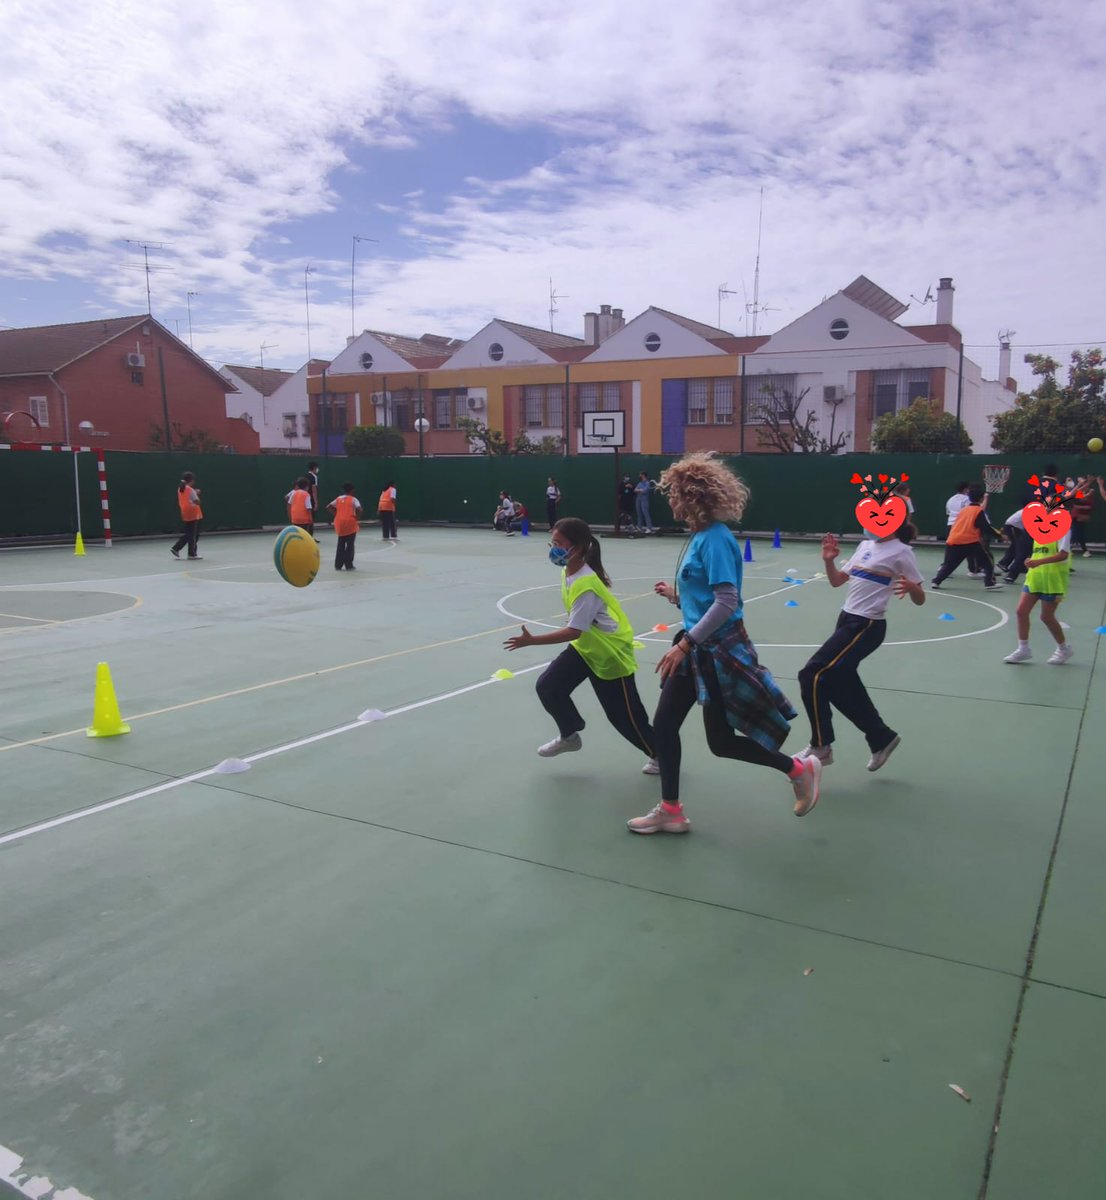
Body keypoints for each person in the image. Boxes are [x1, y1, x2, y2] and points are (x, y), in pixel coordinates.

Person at [627, 452, 818, 835]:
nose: (671, 501)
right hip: (698, 647)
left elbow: (727, 601)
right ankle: (672, 810)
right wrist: (676, 597)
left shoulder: (715, 539)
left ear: (693, 497)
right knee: (675, 729)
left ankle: (798, 769)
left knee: (715, 740)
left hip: (713, 651)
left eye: (675, 494)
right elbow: (706, 597)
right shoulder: (700, 537)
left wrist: (684, 645)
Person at [504, 517, 658, 775]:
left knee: (625, 719)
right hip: (585, 648)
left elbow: (574, 630)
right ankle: (570, 736)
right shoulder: (568, 572)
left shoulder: (586, 584)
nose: (554, 549)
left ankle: (660, 754)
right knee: (549, 686)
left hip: (609, 654)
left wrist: (531, 641)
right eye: (552, 543)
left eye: (560, 544)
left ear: (578, 547)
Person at [799, 519, 925, 772]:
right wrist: (828, 560)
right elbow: (837, 581)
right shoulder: (865, 545)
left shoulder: (902, 551)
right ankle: (881, 737)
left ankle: (821, 746)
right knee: (838, 682)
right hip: (846, 618)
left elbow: (920, 599)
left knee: (811, 674)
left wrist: (912, 587)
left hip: (866, 625)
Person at [1003, 518, 1073, 666]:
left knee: (1046, 617)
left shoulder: (1063, 529)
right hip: (1035, 577)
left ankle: (1063, 649)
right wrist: (1030, 561)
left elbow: (1063, 555)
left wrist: (1038, 562)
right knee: (1021, 611)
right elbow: (1038, 553)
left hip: (1053, 580)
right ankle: (1023, 649)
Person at [930, 484, 1004, 590]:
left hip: (954, 539)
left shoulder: (964, 510)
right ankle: (989, 583)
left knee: (949, 564)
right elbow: (985, 527)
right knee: (987, 561)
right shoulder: (978, 511)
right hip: (970, 541)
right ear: (981, 498)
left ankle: (936, 581)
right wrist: (1000, 536)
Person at [327, 482, 362, 570]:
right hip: (350, 523)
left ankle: (338, 565)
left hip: (339, 523)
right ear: (352, 490)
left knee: (341, 544)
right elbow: (359, 509)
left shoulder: (338, 499)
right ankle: (348, 564)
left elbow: (328, 506)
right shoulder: (353, 499)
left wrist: (336, 514)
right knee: (350, 545)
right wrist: (356, 517)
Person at [171, 471, 203, 560]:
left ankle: (176, 548)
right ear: (192, 480)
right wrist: (196, 493)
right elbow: (197, 501)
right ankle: (192, 554)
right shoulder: (190, 489)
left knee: (190, 533)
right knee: (193, 535)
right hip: (192, 512)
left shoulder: (180, 489)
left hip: (185, 512)